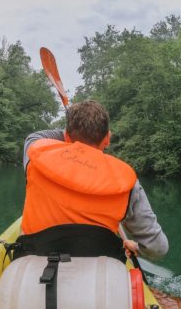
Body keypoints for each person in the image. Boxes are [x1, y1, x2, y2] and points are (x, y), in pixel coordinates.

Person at [19, 100, 168, 261]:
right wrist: (137, 247)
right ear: (108, 138)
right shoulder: (129, 185)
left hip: (35, 258)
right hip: (99, 269)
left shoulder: (34, 156)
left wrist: (72, 130)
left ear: (67, 136)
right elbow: (157, 248)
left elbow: (36, 137)